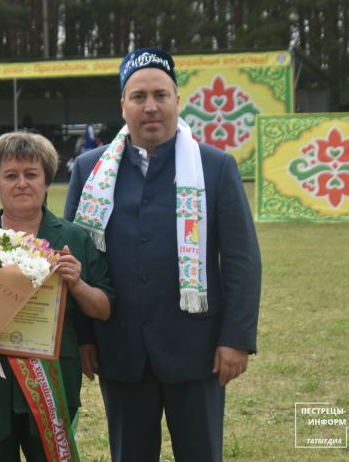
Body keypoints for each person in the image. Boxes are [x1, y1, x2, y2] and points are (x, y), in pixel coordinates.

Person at [64, 48, 261, 462]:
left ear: (177, 100)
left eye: (160, 95)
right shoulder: (89, 170)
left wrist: (236, 339)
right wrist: (83, 336)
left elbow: (242, 260)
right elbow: (74, 260)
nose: (150, 106)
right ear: (122, 105)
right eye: (138, 97)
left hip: (198, 351)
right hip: (119, 349)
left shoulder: (216, 168)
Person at [0, 131, 113, 461]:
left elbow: (104, 308)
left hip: (54, 384)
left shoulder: (74, 239)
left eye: (31, 174)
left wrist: (77, 283)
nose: (22, 183)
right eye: (11, 175)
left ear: (47, 180)